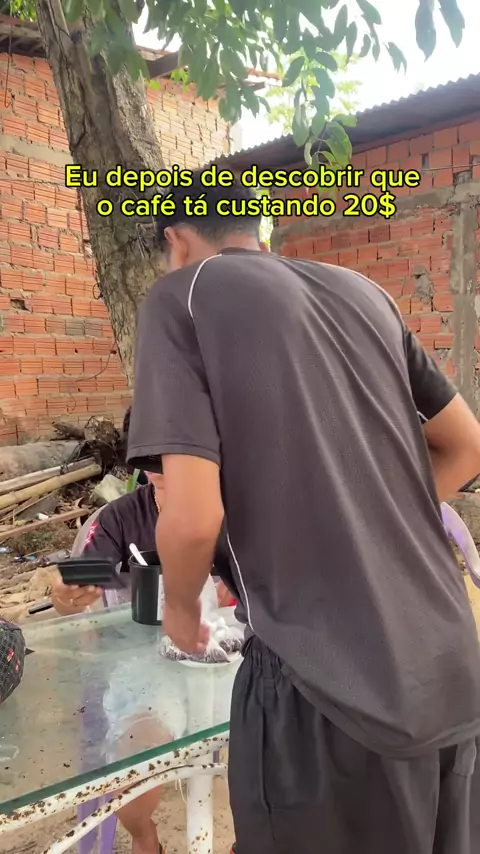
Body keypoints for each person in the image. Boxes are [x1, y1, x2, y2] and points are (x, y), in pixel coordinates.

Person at [126, 171, 480, 854]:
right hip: (450, 672)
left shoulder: (183, 297)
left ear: (176, 240)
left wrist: (180, 610)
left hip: (326, 691)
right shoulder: (365, 293)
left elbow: (193, 516)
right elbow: (467, 446)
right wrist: (370, 519)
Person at [51, 406, 233, 854]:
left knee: (280, 753)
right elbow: (80, 576)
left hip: (230, 661)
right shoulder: (120, 521)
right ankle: (143, 834)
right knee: (134, 770)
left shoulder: (237, 511)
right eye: (158, 467)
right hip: (146, 669)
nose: (172, 479)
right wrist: (67, 591)